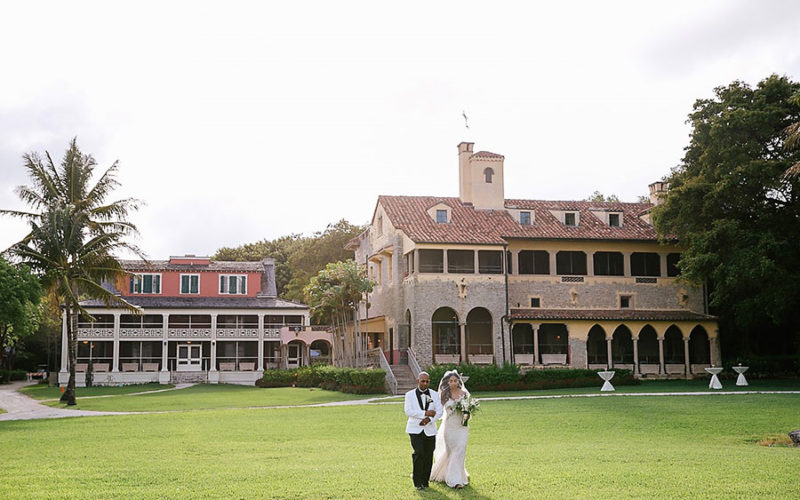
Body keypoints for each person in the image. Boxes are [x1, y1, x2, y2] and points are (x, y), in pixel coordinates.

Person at [429, 370, 470, 489]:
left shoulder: (464, 394)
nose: (453, 383)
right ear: (447, 382)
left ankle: (457, 477)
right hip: (449, 427)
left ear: (458, 382)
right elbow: (438, 410)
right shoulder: (444, 395)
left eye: (455, 380)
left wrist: (467, 414)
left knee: (461, 449)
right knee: (451, 451)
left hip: (462, 426)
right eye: (450, 381)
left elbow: (468, 409)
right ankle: (452, 478)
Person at [404, 371, 443, 490]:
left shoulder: (435, 395)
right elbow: (408, 411)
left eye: (427, 381)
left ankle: (425, 481)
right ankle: (417, 482)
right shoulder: (409, 395)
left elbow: (439, 411)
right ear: (418, 381)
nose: (425, 383)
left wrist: (428, 420)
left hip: (430, 430)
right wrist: (425, 413)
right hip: (415, 429)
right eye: (423, 381)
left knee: (428, 454)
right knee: (419, 453)